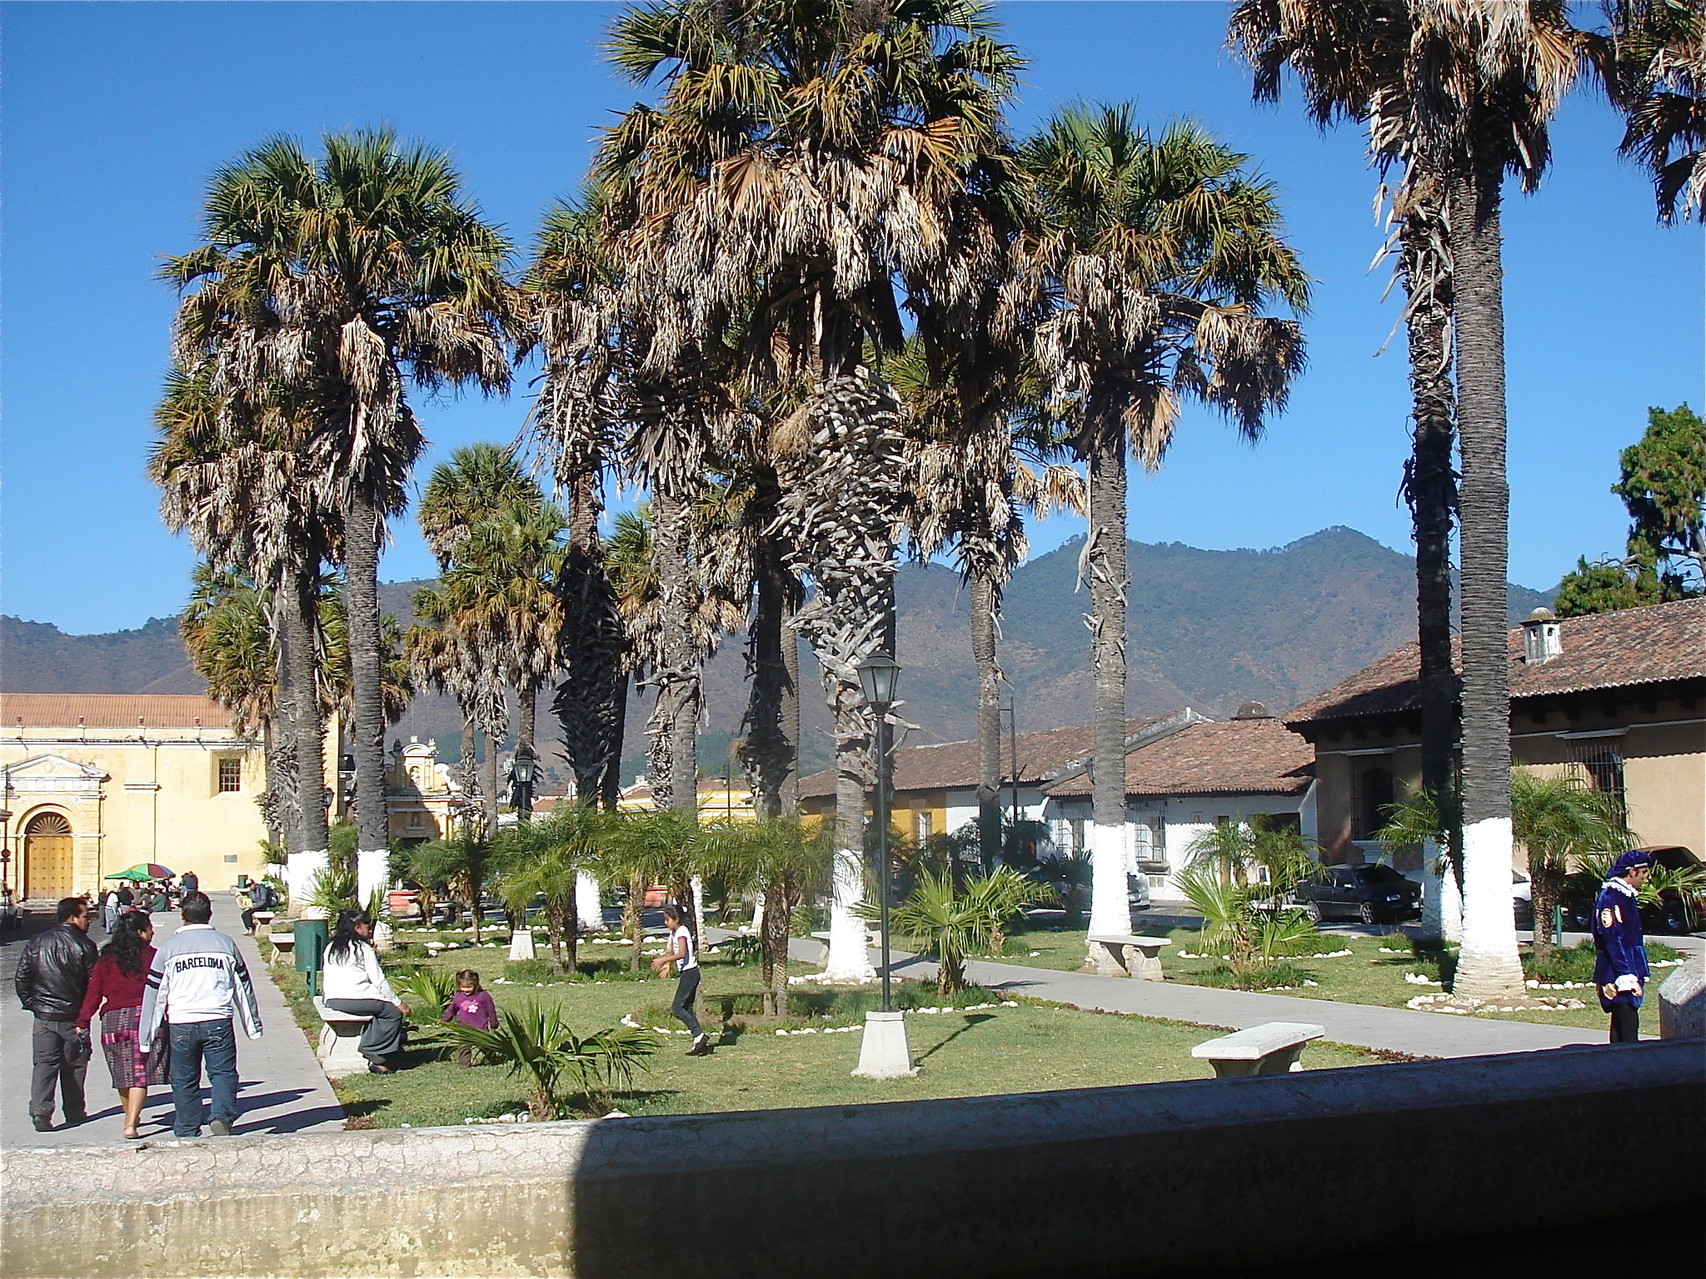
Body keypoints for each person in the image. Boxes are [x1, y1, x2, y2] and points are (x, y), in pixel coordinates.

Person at [139, 891, 263, 1138]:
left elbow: (154, 995)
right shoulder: (226, 944)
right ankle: (221, 1116)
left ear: (182, 915)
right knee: (223, 1073)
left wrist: (146, 1037)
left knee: (184, 1077)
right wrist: (253, 1026)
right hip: (217, 1019)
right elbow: (243, 986)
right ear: (210, 914)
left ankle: (186, 1127)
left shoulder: (167, 949)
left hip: (181, 1022)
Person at [75, 911, 167, 1139]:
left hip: (113, 1021)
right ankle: (130, 1124)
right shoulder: (154, 957)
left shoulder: (106, 959)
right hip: (143, 1018)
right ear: (140, 932)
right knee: (139, 1074)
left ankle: (131, 1116)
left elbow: (94, 992)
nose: (152, 932)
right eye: (149, 928)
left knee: (123, 1074)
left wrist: (82, 1020)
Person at [14, 897, 99, 1131]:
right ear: (72, 917)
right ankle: (74, 1110)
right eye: (85, 916)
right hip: (74, 1017)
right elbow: (94, 984)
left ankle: (41, 1111)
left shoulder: (38, 942)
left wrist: (33, 1004)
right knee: (75, 1065)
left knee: (44, 1064)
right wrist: (86, 1011)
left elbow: (22, 978)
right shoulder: (85, 945)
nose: (89, 921)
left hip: (45, 1017)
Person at [321, 909, 411, 1074]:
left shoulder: (331, 946)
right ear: (356, 927)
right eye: (367, 927)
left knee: (378, 1009)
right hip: (354, 998)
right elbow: (379, 980)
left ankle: (376, 1048)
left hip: (333, 998)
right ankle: (374, 1051)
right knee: (392, 1013)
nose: (369, 931)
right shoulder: (362, 948)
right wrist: (398, 1003)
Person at [1592, 849, 1654, 1044]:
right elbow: (1610, 936)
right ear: (1632, 871)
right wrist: (1624, 972)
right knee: (1627, 1022)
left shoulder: (1626, 896)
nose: (1646, 878)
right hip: (1617, 970)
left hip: (1630, 966)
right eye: (1643, 873)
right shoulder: (1611, 897)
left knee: (1623, 1021)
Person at [650, 902, 709, 1056]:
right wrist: (668, 965)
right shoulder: (675, 932)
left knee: (677, 1007)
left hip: (690, 973)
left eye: (667, 920)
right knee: (686, 1007)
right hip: (686, 972)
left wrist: (663, 960)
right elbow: (675, 951)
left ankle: (699, 1035)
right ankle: (699, 1039)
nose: (665, 923)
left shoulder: (682, 932)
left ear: (676, 919)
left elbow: (682, 953)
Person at [442, 969, 497, 1066]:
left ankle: (491, 1059)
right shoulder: (458, 996)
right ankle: (464, 1064)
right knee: (463, 1047)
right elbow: (452, 1010)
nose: (466, 990)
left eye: (469, 987)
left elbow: (491, 1009)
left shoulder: (483, 996)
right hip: (463, 1027)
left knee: (485, 1045)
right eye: (463, 987)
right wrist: (444, 1020)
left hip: (479, 1027)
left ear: (476, 984)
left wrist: (493, 1023)